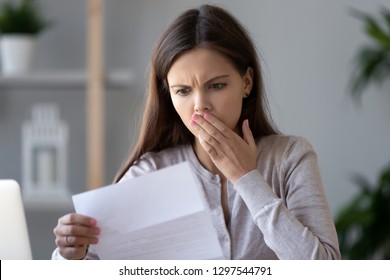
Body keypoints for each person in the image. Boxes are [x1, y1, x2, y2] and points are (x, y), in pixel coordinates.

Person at [52, 4, 340, 260]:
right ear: (169, 96)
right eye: (183, 91)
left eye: (216, 85)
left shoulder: (290, 157)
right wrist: (71, 253)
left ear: (247, 82)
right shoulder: (152, 170)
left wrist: (247, 179)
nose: (200, 106)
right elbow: (97, 263)